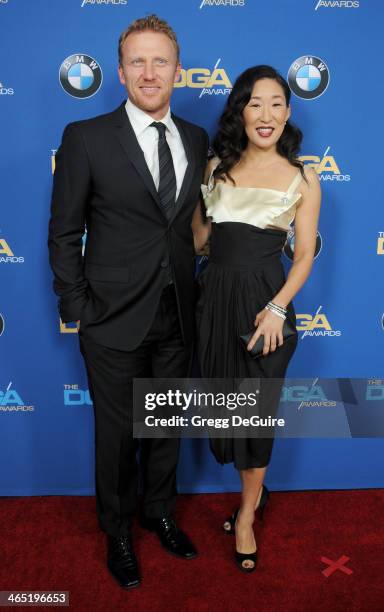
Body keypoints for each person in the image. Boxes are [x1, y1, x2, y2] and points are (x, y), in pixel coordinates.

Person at [48, 15, 208, 590]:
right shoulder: (85, 137)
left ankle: (157, 511)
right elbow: (64, 233)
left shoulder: (194, 138)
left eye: (160, 61)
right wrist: (79, 306)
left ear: (177, 71)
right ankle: (117, 530)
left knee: (164, 426)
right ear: (119, 73)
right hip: (111, 318)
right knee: (116, 438)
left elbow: (188, 225)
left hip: (177, 314)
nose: (149, 72)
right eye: (137, 61)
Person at [192, 65, 321, 572]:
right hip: (215, 302)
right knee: (226, 409)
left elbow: (306, 254)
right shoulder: (215, 167)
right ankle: (254, 496)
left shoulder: (303, 177)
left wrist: (276, 309)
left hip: (266, 308)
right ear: (240, 112)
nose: (265, 115)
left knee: (255, 414)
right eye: (254, 104)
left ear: (288, 113)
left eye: (275, 104)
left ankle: (246, 515)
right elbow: (199, 240)